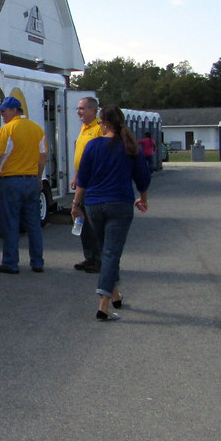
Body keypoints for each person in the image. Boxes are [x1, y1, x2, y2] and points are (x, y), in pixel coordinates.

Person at [71, 105, 150, 321]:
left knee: (107, 251)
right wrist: (143, 198)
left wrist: (76, 204)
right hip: (119, 204)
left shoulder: (93, 145)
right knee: (111, 253)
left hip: (94, 205)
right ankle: (103, 304)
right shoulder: (130, 146)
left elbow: (83, 179)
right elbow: (142, 177)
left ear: (103, 123)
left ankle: (115, 295)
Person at [0, 96, 47, 274]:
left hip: (11, 180)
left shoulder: (8, 129)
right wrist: (39, 177)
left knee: (10, 222)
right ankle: (37, 262)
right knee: (33, 223)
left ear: (13, 110)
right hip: (31, 179)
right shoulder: (37, 129)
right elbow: (43, 156)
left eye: (3, 111)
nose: (2, 114)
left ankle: (11, 262)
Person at [71, 96, 102, 274]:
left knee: (93, 222)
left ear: (92, 110)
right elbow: (81, 155)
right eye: (78, 108)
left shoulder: (98, 129)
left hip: (92, 183)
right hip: (82, 178)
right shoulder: (84, 128)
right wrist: (76, 174)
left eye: (82, 108)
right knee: (82, 220)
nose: (79, 112)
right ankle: (88, 256)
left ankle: (97, 260)